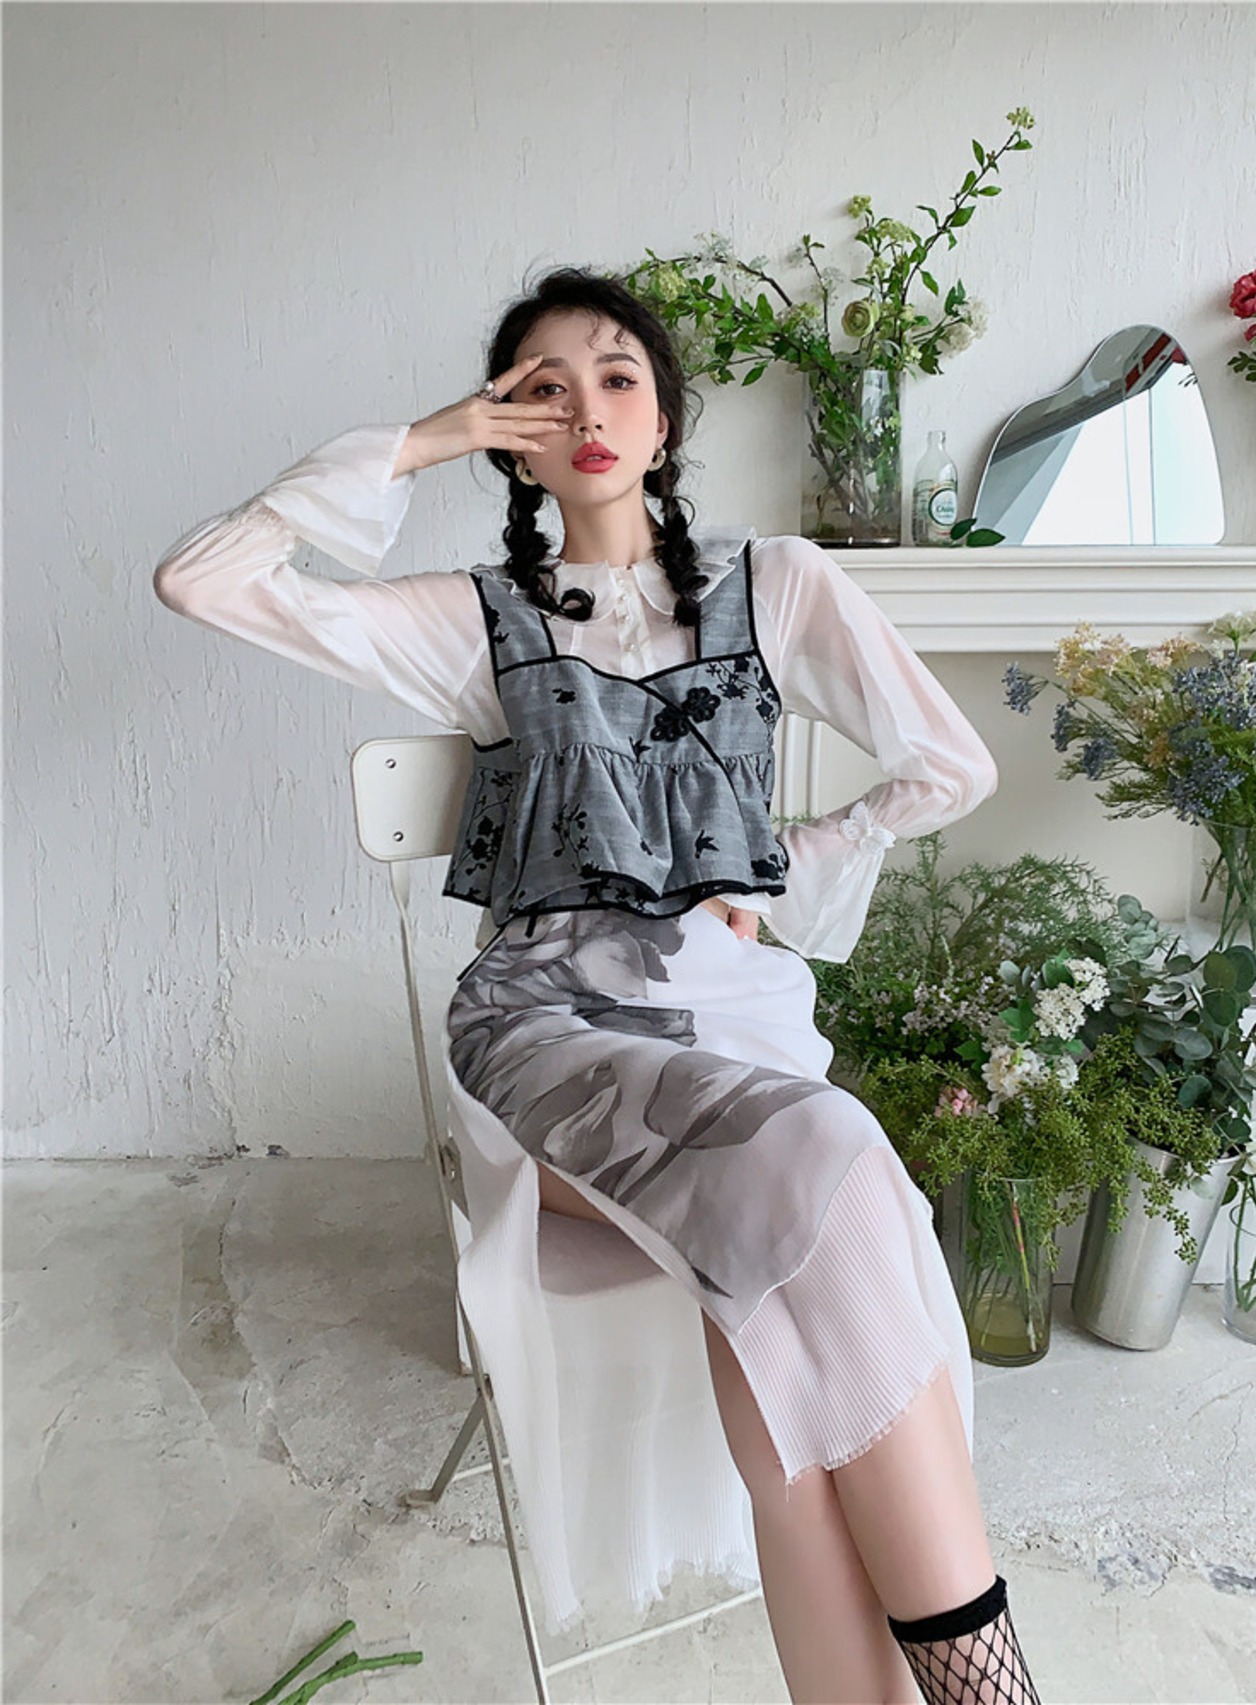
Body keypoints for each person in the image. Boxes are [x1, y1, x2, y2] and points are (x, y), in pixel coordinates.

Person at [154, 266, 1041, 1705]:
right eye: (539, 389)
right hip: (549, 1034)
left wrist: (783, 872)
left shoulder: (778, 586)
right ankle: (998, 1691)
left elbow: (952, 764)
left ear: (666, 419)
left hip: (737, 1034)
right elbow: (204, 580)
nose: (583, 409)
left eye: (617, 376)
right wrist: (430, 440)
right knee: (832, 1160)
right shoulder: (480, 617)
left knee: (794, 1354)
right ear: (512, 432)